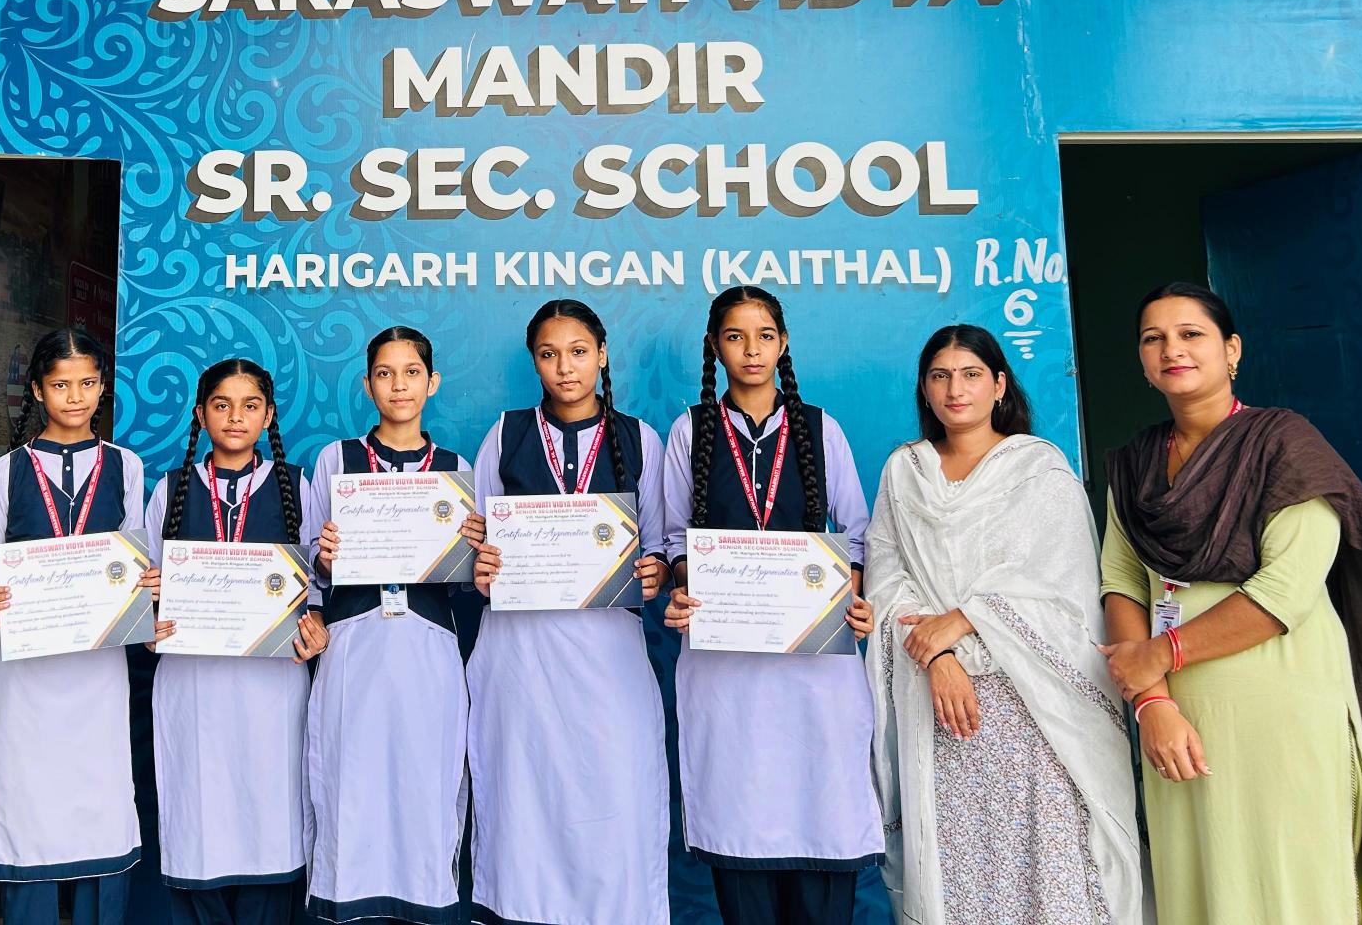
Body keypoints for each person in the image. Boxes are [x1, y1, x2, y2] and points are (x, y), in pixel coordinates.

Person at [1099, 280, 1362, 925]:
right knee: (1199, 889)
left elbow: (1286, 589)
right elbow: (1121, 580)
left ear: (1232, 350)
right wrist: (1152, 704)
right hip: (1175, 717)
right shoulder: (1135, 464)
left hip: (1280, 703)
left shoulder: (1284, 445)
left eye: (1190, 334)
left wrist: (1159, 655)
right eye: (1154, 338)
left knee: (1287, 889)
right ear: (1142, 362)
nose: (1172, 349)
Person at [865, 324, 1144, 925]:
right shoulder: (904, 472)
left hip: (1034, 710)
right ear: (924, 388)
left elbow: (1063, 588)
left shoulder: (1038, 470)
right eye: (940, 376)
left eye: (970, 375)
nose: (955, 390)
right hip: (941, 707)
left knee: (1048, 869)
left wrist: (965, 619)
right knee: (959, 876)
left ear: (999, 385)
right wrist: (939, 657)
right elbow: (887, 582)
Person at [658, 285, 882, 925]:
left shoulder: (819, 427)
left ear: (783, 344)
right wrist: (685, 584)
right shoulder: (692, 430)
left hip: (816, 663)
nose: (751, 350)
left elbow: (857, 532)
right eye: (735, 337)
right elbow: (674, 538)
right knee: (741, 815)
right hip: (726, 667)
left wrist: (851, 594)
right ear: (715, 346)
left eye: (764, 336)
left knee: (821, 808)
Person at [467, 298, 670, 925]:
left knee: (615, 793)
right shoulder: (506, 434)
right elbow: (478, 542)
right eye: (549, 354)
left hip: (609, 652)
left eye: (578, 352)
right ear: (534, 362)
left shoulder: (640, 438)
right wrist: (482, 568)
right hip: (521, 655)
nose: (565, 368)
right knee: (525, 798)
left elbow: (659, 546)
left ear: (602, 355)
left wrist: (657, 573)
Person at [0, 327, 150, 925]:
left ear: (102, 387)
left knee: (100, 798)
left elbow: (134, 553)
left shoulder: (126, 466)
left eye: (88, 383)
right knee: (31, 800)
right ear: (37, 390)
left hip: (99, 667)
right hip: (28, 670)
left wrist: (146, 582)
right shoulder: (5, 472)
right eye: (61, 385)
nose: (76, 397)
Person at [306, 327, 482, 925]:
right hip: (354, 643)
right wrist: (325, 558)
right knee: (350, 782)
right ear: (367, 384)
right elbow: (312, 568)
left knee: (425, 783)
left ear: (432, 383)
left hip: (429, 644)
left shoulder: (456, 468)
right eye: (385, 373)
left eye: (411, 372)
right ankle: (350, 905)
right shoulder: (337, 460)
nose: (398, 385)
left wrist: (472, 554)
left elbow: (468, 583)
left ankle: (425, 904)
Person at [146, 358, 327, 925]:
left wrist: (314, 625)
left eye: (250, 406)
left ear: (268, 416)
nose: (235, 417)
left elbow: (316, 582)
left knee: (268, 814)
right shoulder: (171, 489)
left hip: (272, 687)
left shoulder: (295, 484)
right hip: (192, 685)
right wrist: (148, 624)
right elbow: (148, 585)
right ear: (200, 414)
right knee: (199, 815)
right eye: (221, 405)